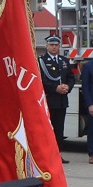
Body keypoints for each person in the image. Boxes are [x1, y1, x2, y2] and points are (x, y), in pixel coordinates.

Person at [38, 35, 73, 164]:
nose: (54, 47)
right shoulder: (41, 61)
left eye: (56, 45)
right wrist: (55, 88)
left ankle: (57, 154)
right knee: (48, 130)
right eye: (51, 45)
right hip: (49, 100)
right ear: (47, 46)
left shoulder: (64, 61)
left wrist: (67, 87)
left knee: (59, 129)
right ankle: (46, 156)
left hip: (62, 101)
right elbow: (41, 80)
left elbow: (71, 77)